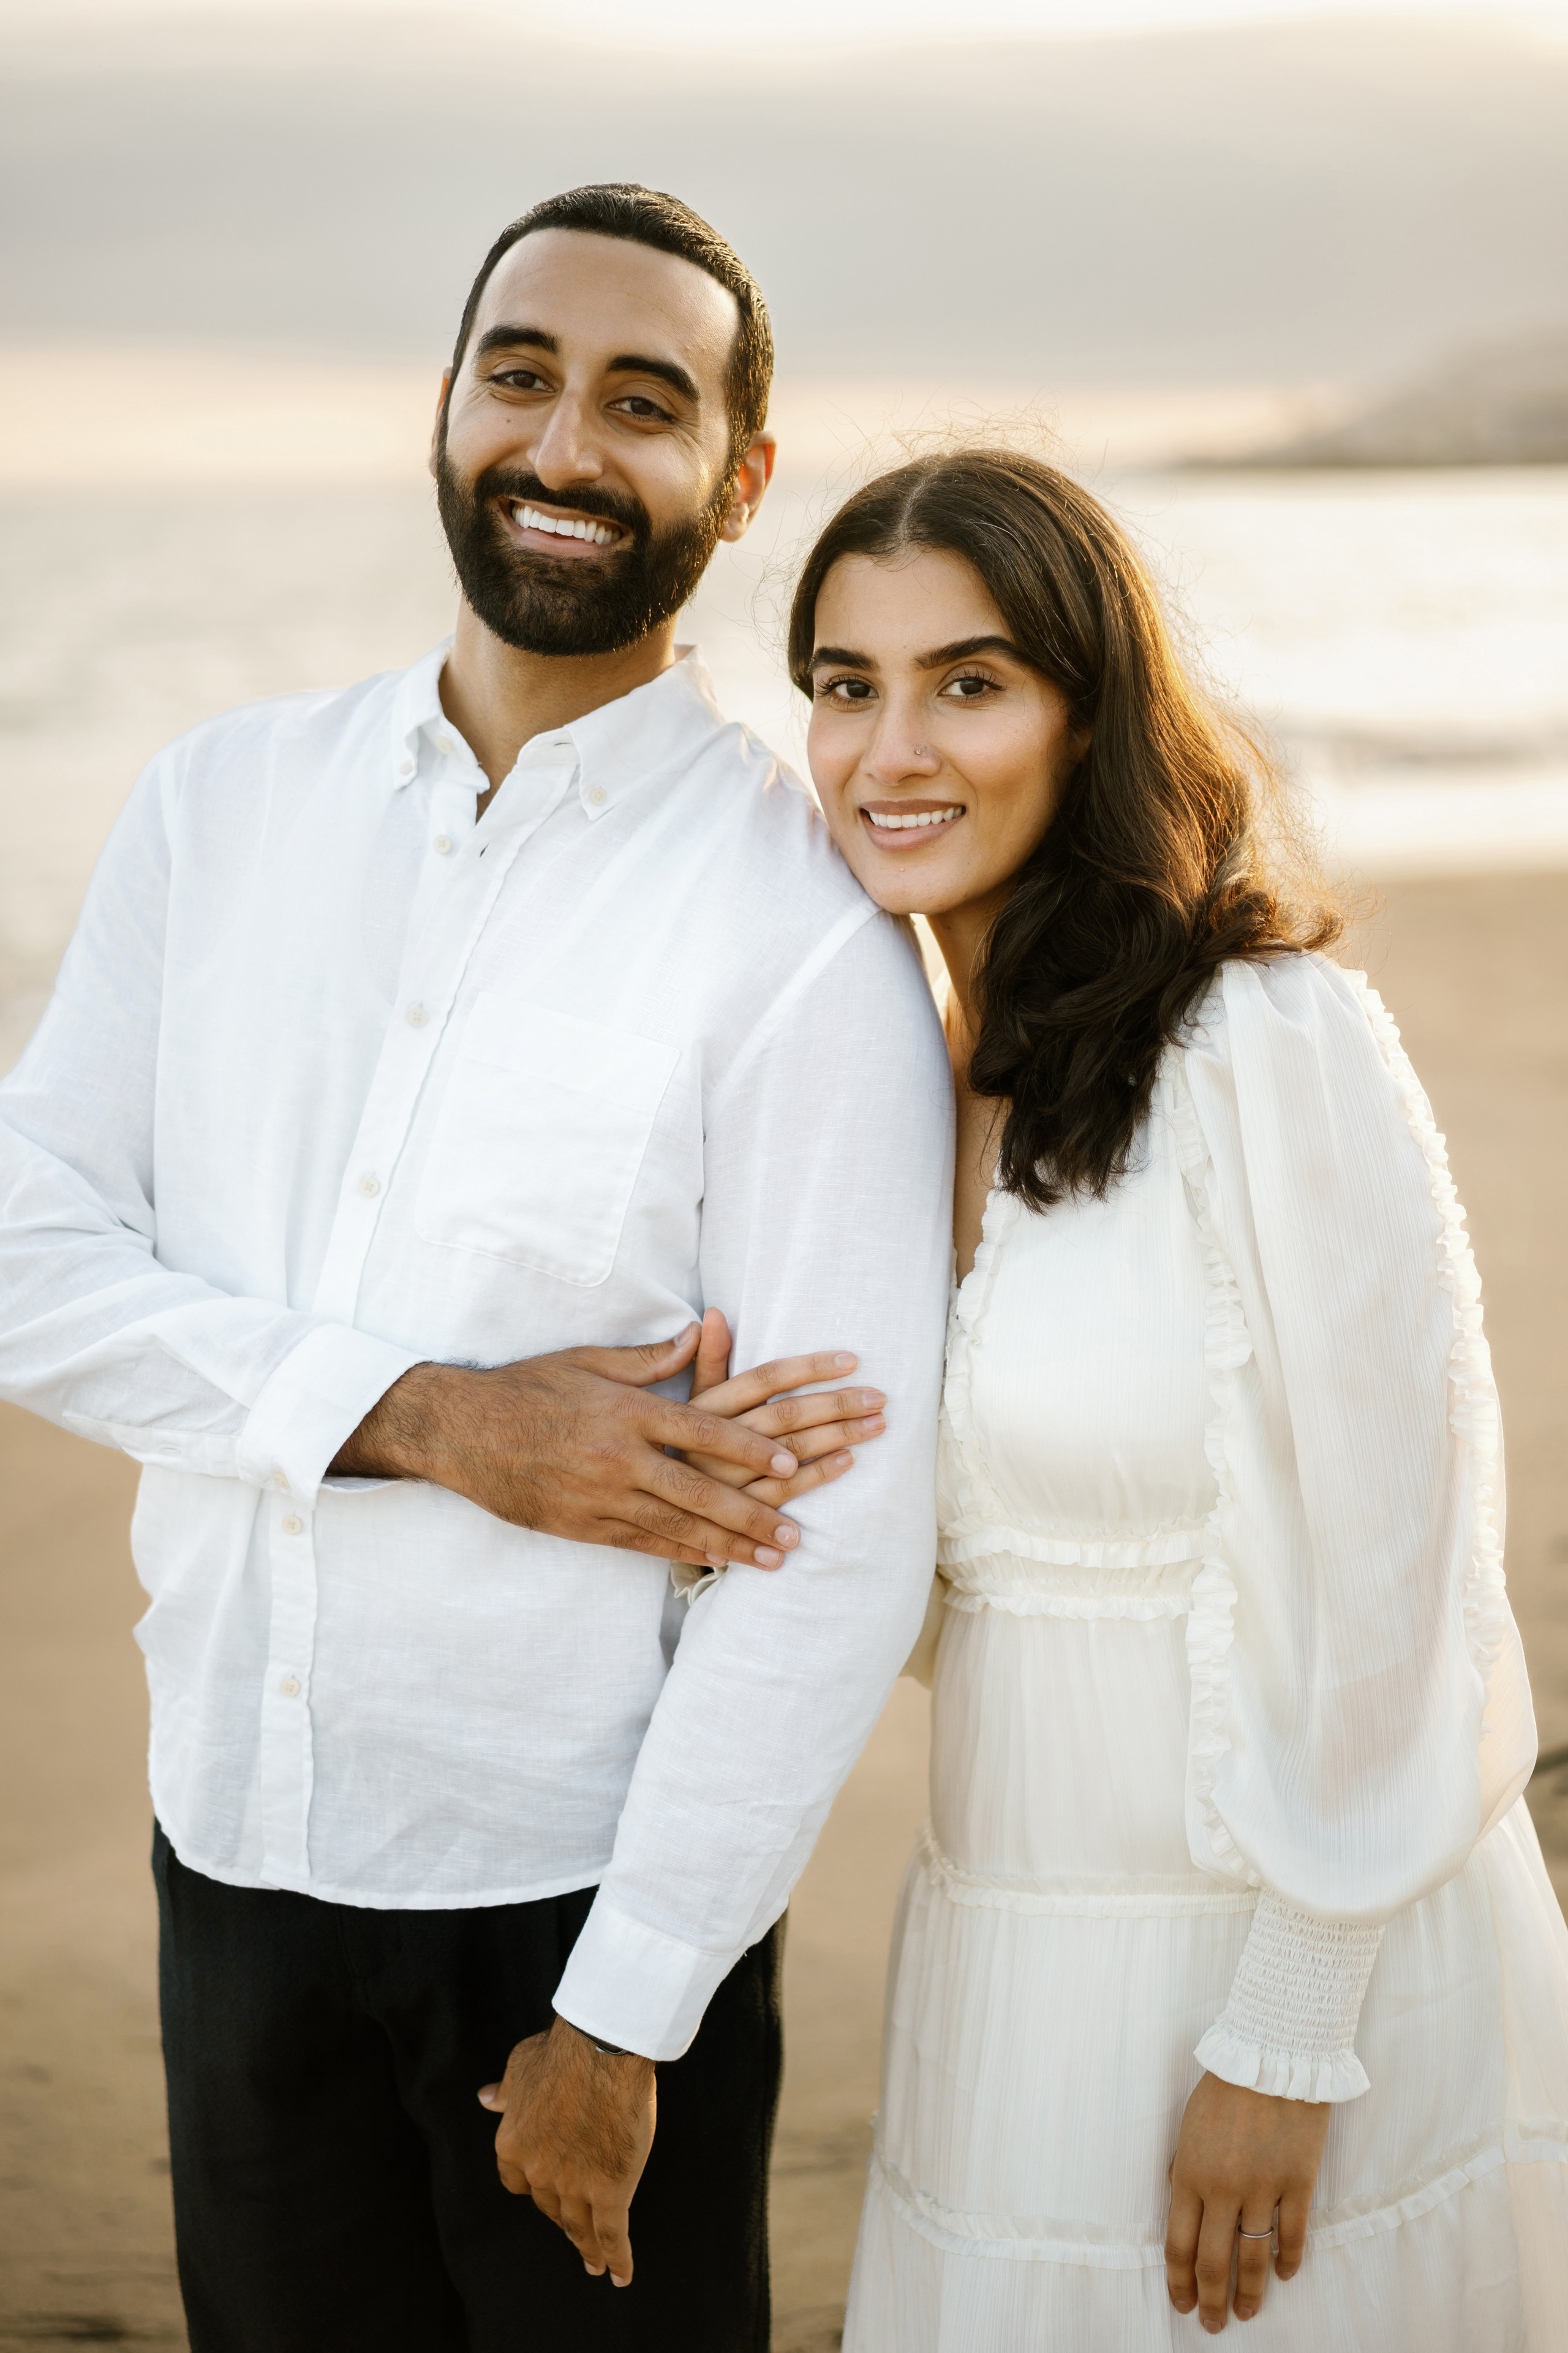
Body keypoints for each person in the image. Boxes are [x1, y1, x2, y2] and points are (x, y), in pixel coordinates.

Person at [0, 187, 952, 2351]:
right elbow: (22, 1245)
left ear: (739, 474)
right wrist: (441, 1421)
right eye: (519, 372)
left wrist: (627, 2015)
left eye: (643, 400)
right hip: (229, 1841)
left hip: (577, 1908)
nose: (563, 443)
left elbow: (843, 1524)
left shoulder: (801, 930)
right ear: (443, 403)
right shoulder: (211, 804)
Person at [780, 448, 1568, 2344]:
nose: (895, 746)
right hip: (1007, 1969)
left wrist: (1291, 2035)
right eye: (842, 682)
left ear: (1086, 708)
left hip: (1294, 1966)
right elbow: (994, 1582)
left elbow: (1414, 1558)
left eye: (969, 681)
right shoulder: (890, 1089)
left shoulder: (1260, 1038)